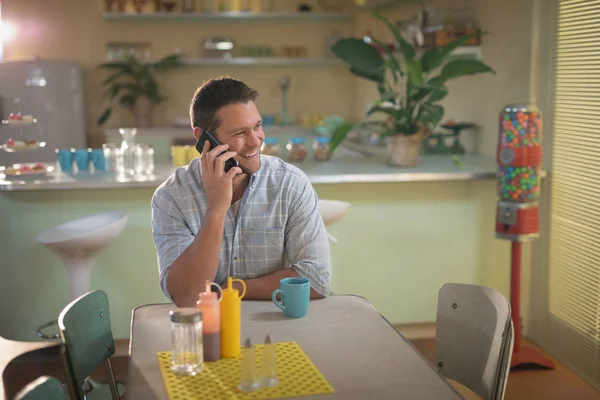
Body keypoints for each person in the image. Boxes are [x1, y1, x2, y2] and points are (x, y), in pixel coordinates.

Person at [151, 76, 332, 307]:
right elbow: (186, 296)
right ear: (203, 138)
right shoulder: (171, 197)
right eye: (239, 133)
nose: (256, 141)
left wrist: (235, 288)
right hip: (210, 330)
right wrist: (216, 209)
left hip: (277, 325)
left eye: (257, 126)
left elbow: (317, 280)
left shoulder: (290, 184)